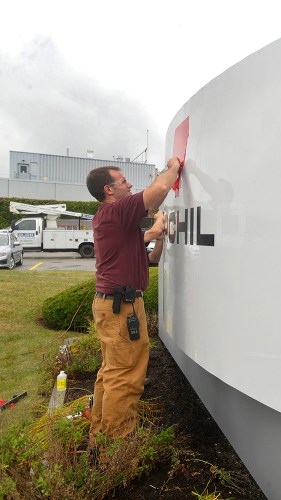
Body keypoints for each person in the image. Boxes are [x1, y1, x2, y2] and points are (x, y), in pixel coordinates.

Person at [85, 156, 182, 445]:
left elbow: (151, 258)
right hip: (120, 308)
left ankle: (99, 437)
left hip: (117, 305)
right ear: (109, 190)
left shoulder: (118, 225)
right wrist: (174, 166)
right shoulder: (117, 211)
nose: (129, 184)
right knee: (125, 375)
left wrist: (158, 235)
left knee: (111, 372)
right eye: (123, 181)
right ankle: (118, 445)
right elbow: (157, 192)